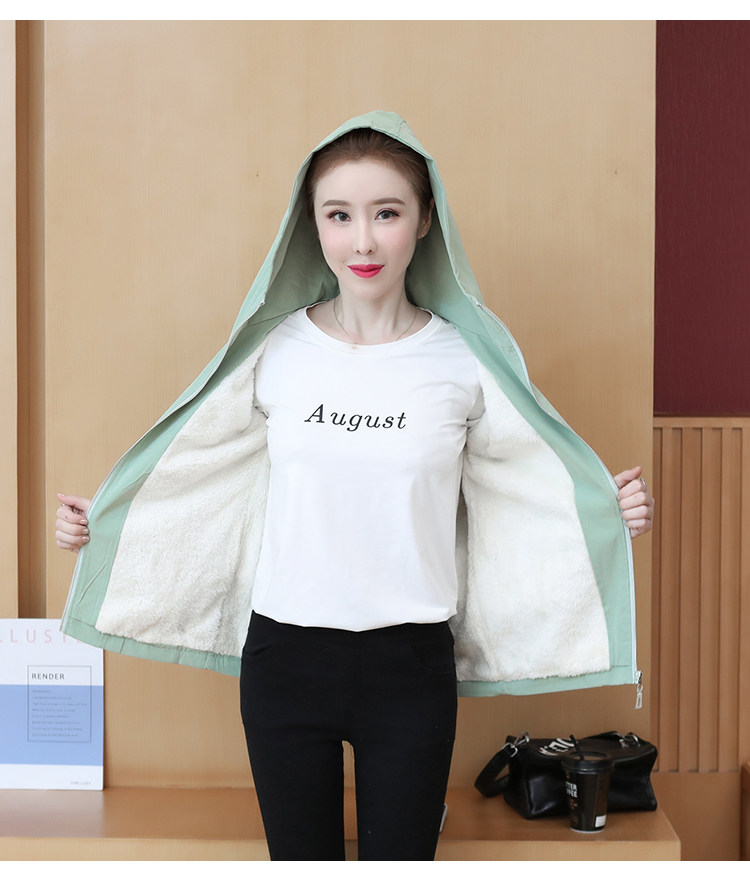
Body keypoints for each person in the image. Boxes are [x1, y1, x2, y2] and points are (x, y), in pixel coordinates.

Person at [55, 111, 654, 861]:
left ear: (425, 221)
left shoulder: (463, 361)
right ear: (311, 225)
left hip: (411, 668)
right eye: (339, 215)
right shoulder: (276, 352)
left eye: (386, 213)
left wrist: (606, 514)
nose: (362, 241)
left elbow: (519, 488)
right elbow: (203, 473)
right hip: (284, 661)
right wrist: (108, 522)